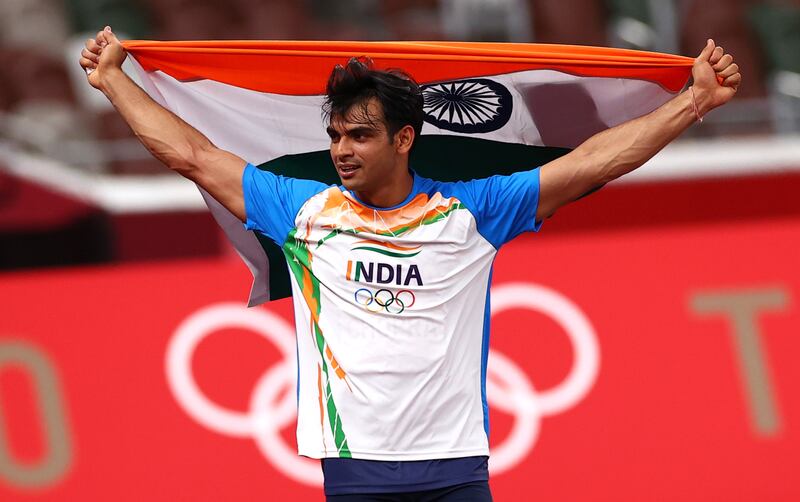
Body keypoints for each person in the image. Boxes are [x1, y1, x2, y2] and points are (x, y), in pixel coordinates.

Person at [79, 26, 740, 501]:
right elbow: (191, 155)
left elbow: (593, 161)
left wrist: (692, 101)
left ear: (403, 139)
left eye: (360, 135)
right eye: (335, 135)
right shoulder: (301, 212)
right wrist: (112, 81)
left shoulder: (473, 212)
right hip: (356, 470)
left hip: (457, 469)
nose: (342, 150)